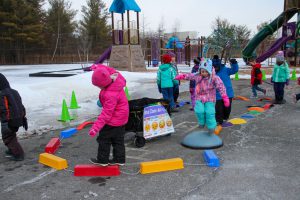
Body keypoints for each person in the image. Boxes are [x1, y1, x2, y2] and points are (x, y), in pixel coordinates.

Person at [175, 59, 230, 134]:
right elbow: (190, 76)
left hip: (210, 98)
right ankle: (201, 123)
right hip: (199, 97)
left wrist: (224, 97)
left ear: (210, 71)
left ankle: (211, 127)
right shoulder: (197, 76)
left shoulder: (214, 78)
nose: (204, 73)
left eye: (206, 72)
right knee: (199, 111)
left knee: (209, 112)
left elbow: (221, 87)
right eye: (202, 71)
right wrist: (182, 76)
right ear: (200, 70)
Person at [89, 66, 129, 166]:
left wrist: (95, 128)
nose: (99, 88)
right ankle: (119, 159)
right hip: (122, 118)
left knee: (104, 139)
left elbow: (106, 114)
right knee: (118, 139)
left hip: (113, 119)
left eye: (99, 86)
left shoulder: (110, 94)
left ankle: (103, 160)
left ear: (104, 84)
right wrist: (98, 67)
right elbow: (110, 69)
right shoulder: (115, 80)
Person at [0, 73, 27, 161]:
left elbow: (3, 109)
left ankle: (18, 154)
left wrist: (5, 120)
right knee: (12, 135)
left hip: (9, 120)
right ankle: (12, 150)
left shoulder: (2, 94)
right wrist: (23, 117)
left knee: (8, 138)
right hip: (19, 118)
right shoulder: (14, 92)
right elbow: (21, 106)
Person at [212, 55, 239, 134]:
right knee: (218, 108)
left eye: (216, 67)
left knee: (227, 108)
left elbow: (234, 70)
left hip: (228, 93)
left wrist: (234, 63)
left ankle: (225, 117)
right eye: (214, 67)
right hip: (218, 94)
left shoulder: (225, 70)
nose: (215, 69)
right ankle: (219, 121)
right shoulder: (211, 72)